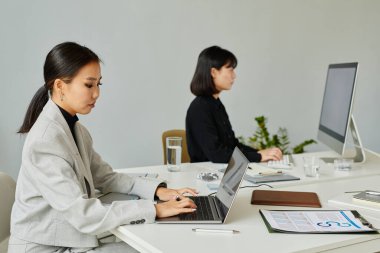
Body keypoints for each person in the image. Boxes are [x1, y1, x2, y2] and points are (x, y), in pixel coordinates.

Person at [9, 42, 197, 253]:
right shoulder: (45, 141)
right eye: (89, 85)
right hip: (47, 248)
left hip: (73, 238)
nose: (97, 93)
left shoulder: (76, 130)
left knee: (159, 241)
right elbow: (83, 214)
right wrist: (154, 209)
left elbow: (106, 178)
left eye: (99, 84)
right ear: (60, 86)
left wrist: (158, 191)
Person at [186, 45, 282, 163]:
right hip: (207, 176)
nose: (234, 76)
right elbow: (217, 154)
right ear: (214, 72)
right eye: (230, 69)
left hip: (224, 172)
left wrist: (260, 153)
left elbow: (231, 145)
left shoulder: (216, 104)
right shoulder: (200, 108)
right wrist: (259, 156)